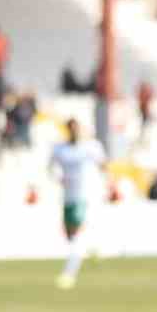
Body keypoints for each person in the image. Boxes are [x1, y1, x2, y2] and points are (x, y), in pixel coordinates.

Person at [49, 118, 109, 290]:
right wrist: (58, 178)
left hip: (85, 196)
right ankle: (92, 247)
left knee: (77, 235)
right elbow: (50, 167)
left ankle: (69, 273)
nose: (75, 131)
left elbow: (104, 164)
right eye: (71, 128)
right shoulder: (60, 149)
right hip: (68, 197)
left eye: (77, 128)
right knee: (70, 236)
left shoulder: (91, 147)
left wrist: (102, 182)